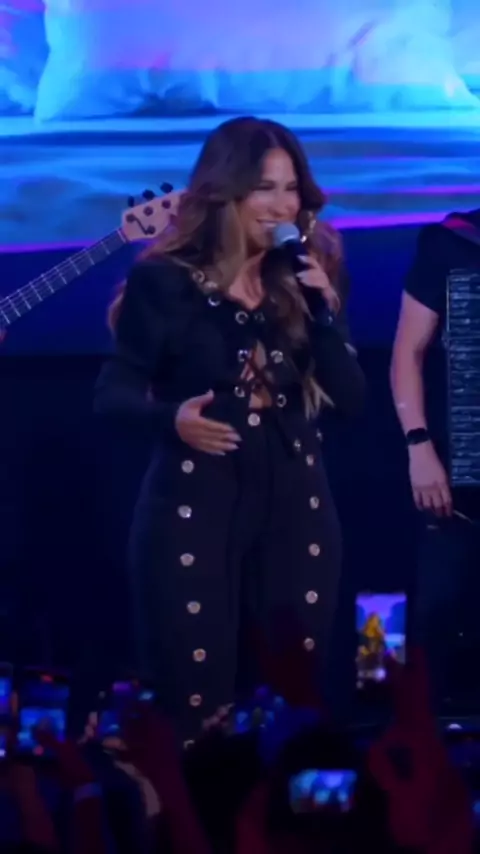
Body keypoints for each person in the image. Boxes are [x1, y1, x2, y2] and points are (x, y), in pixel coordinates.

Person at [94, 116, 365, 740]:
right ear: (226, 192)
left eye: (291, 188)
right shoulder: (164, 281)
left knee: (291, 712)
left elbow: (353, 402)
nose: (283, 205)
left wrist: (325, 316)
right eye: (264, 188)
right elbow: (112, 393)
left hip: (297, 504)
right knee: (196, 708)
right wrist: (170, 419)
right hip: (195, 504)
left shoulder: (309, 274)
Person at [390, 208, 480, 710]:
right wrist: (418, 446)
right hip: (460, 479)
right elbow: (408, 351)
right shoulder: (454, 242)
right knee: (441, 618)